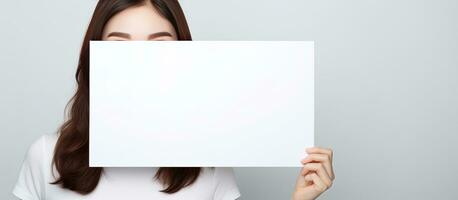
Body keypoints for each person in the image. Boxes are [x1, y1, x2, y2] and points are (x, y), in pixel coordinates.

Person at [12, 0, 334, 199]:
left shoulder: (209, 166)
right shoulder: (46, 156)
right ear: (93, 57)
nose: (140, 62)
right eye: (119, 44)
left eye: (159, 44)